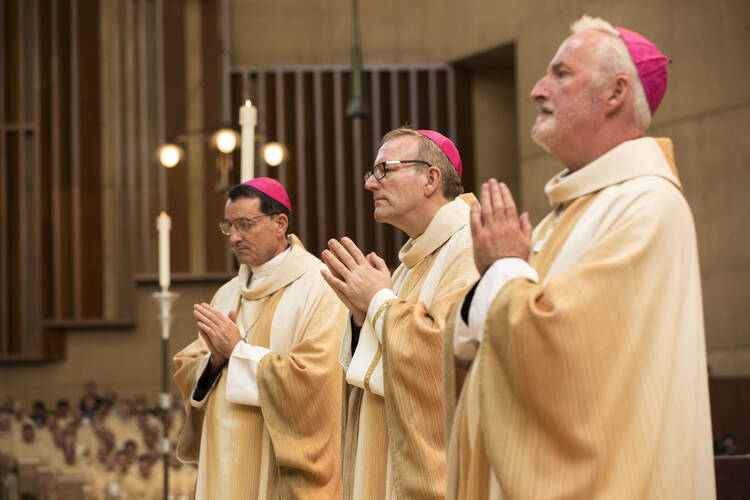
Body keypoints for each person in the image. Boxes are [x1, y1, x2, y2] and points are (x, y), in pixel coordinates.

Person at [445, 15, 715, 499]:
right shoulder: (557, 218)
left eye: (561, 73)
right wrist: (500, 274)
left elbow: (559, 350)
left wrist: (503, 268)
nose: (536, 90)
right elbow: (471, 345)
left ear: (615, 93)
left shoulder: (648, 206)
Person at [322, 129, 478, 499]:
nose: (371, 184)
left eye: (384, 170)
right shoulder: (411, 262)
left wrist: (377, 299)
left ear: (431, 178)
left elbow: (440, 351)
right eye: (372, 174)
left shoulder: (472, 244)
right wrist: (363, 316)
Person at [173, 178, 347, 499]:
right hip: (223, 467)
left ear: (280, 223)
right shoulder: (227, 294)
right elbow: (190, 368)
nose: (234, 238)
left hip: (279, 468)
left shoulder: (321, 286)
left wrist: (238, 352)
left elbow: (318, 378)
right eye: (229, 226)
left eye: (245, 225)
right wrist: (214, 362)